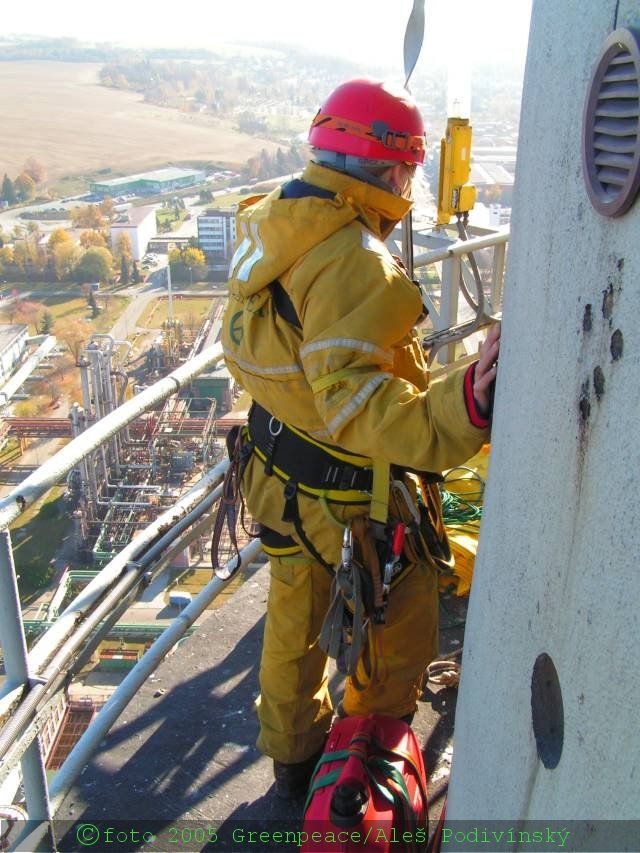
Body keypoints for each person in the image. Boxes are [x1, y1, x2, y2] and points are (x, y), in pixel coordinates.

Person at [221, 78, 500, 799]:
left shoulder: (277, 217)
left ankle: (292, 761)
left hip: (280, 473)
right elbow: (368, 411)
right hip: (346, 496)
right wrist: (465, 401)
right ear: (391, 168)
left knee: (293, 623)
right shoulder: (352, 261)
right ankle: (362, 777)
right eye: (409, 166)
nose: (410, 181)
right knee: (397, 630)